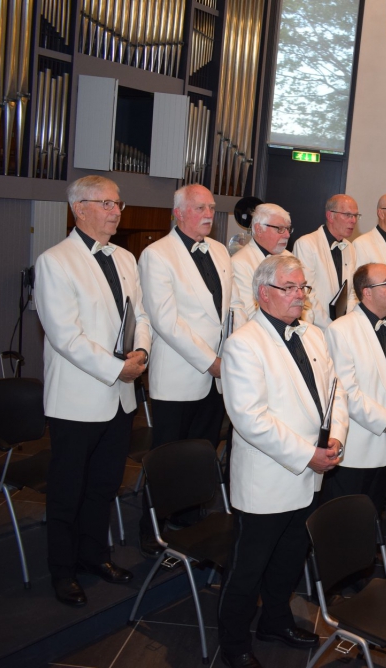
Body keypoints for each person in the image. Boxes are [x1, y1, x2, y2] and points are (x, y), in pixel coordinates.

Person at [218, 254, 348, 668]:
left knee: (289, 560)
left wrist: (336, 437)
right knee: (247, 570)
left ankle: (275, 621)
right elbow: (251, 420)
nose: (299, 296)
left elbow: (335, 392)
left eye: (302, 288)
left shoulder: (312, 335)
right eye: (289, 288)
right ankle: (234, 644)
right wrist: (308, 454)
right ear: (263, 294)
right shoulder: (243, 344)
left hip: (308, 474)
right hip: (268, 479)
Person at [35, 176, 151, 606]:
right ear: (79, 208)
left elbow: (141, 313)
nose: (116, 211)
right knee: (68, 491)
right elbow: (66, 335)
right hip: (78, 399)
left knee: (103, 486)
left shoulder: (124, 257)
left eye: (118, 204)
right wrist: (116, 368)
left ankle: (94, 555)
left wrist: (140, 352)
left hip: (120, 396)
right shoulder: (55, 261)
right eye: (107, 203)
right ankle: (62, 571)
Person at [139, 184, 239, 552]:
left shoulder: (218, 250)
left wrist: (233, 352)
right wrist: (210, 362)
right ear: (179, 212)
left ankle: (187, 518)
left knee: (201, 450)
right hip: (180, 373)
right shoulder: (157, 254)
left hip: (216, 374)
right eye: (200, 208)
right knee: (167, 455)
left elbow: (229, 311)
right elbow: (165, 321)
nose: (209, 214)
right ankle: (151, 526)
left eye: (211, 207)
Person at [323, 263, 386, 511]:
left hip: (384, 447)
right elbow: (347, 393)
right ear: (366, 292)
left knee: (371, 518)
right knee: (343, 522)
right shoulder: (341, 330)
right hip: (354, 449)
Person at [293, 194, 359, 329]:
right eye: (347, 215)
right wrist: (330, 327)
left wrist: (347, 323)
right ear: (330, 216)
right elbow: (307, 295)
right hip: (315, 327)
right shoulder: (306, 244)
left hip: (342, 328)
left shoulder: (350, 247)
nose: (353, 220)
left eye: (355, 216)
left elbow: (352, 292)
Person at [231, 203, 293, 328]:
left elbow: (304, 304)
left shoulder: (290, 257)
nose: (287, 235)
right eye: (280, 229)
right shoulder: (239, 263)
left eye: (288, 229)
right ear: (259, 229)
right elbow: (247, 314)